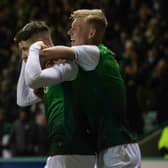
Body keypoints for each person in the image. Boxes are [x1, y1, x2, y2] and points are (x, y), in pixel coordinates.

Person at [25, 9, 141, 167]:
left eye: (76, 27)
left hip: (118, 148)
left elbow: (47, 55)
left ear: (91, 33)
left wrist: (34, 47)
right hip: (104, 148)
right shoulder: (84, 66)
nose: (69, 31)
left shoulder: (95, 52)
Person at [15, 21, 95, 168]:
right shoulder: (48, 74)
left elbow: (33, 79)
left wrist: (33, 50)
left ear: (41, 45)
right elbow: (23, 99)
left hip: (74, 150)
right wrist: (27, 58)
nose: (23, 56)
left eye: (25, 49)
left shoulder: (66, 65)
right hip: (64, 150)